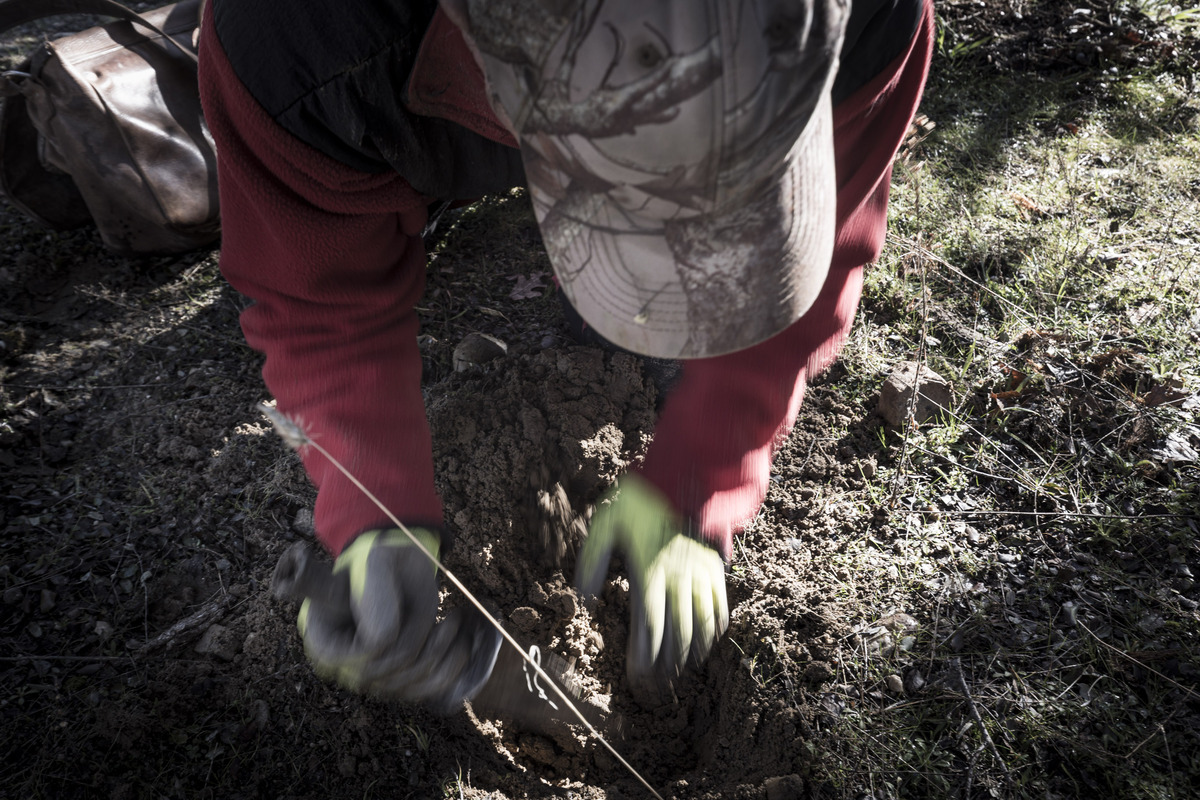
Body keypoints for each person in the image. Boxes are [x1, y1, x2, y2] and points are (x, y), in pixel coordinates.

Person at [198, 0, 935, 708]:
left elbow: (831, 218)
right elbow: (321, 300)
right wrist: (372, 506)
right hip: (395, 89)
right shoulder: (296, 42)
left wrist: (702, 474)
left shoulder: (874, 16)